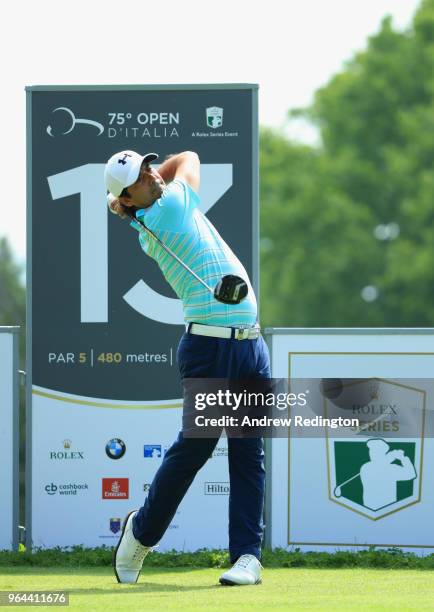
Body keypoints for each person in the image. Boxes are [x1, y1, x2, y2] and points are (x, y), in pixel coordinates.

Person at [105, 149, 271, 586]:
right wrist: (153, 184)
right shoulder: (169, 212)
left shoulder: (154, 209)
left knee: (248, 453)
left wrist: (140, 184)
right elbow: (192, 158)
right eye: (141, 177)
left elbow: (178, 165)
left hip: (250, 343)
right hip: (211, 348)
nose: (152, 176)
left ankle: (247, 557)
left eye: (148, 167)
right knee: (194, 450)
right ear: (129, 199)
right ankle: (139, 533)